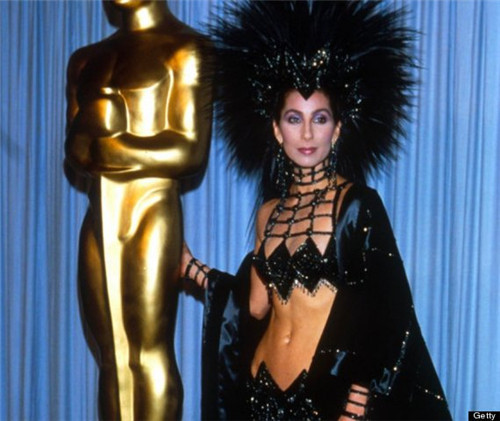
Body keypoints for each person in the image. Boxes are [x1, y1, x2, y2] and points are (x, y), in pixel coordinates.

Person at [182, 1, 451, 420]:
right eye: (294, 119)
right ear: (277, 130)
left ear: (337, 129)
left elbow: (385, 318)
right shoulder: (268, 213)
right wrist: (194, 270)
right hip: (259, 397)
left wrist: (355, 409)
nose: (307, 133)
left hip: (322, 401)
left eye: (320, 119)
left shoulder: (356, 206)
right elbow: (253, 308)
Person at [64, 0, 212, 419]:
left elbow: (189, 150)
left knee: (148, 352)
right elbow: (74, 151)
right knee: (111, 357)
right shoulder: (85, 60)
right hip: (99, 215)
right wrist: (95, 143)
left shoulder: (186, 48)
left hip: (151, 207)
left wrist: (111, 147)